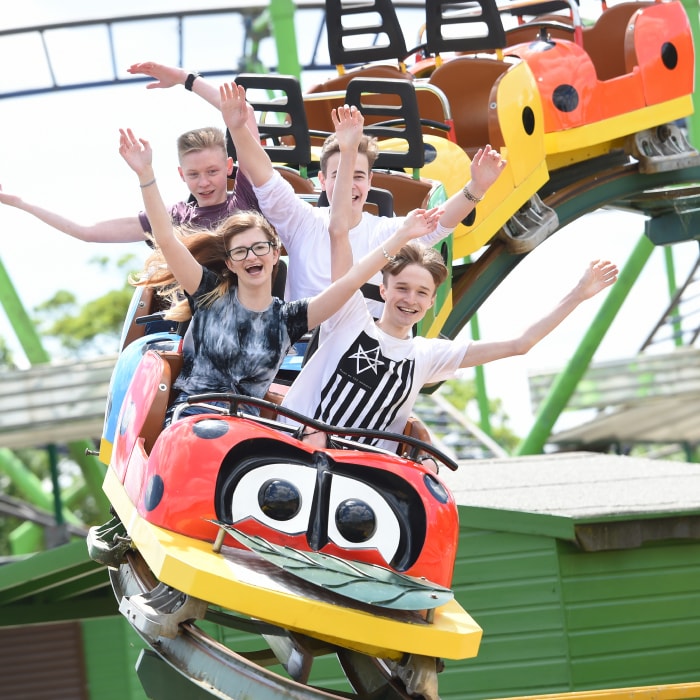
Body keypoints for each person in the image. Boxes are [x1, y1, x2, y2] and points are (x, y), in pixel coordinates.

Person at [281, 115, 620, 452]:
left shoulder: (427, 355)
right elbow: (338, 228)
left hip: (360, 468)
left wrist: (578, 294)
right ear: (382, 290)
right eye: (402, 289)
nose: (410, 299)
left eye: (421, 293)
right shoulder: (349, 318)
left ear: (431, 302)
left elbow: (520, 344)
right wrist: (350, 147)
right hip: (302, 445)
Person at [118, 103, 442, 423]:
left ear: (275, 254)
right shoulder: (207, 292)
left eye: (260, 247)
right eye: (241, 251)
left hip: (245, 432)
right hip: (194, 418)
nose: (252, 257)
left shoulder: (289, 319)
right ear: (229, 263)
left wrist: (399, 236)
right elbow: (166, 237)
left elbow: (347, 267)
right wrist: (146, 175)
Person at [126, 62, 507, 315]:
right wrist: (237, 126)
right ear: (322, 181)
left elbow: (439, 224)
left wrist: (476, 186)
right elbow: (260, 169)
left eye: (358, 175)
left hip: (358, 347)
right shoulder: (301, 219)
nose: (350, 184)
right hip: (301, 343)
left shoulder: (387, 230)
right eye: (339, 174)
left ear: (371, 182)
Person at [0, 124, 259, 245]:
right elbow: (86, 231)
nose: (204, 182)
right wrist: (19, 203)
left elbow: (246, 126)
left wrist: (187, 80)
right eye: (193, 175)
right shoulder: (176, 217)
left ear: (228, 167)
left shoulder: (244, 198)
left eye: (212, 171)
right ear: (181, 174)